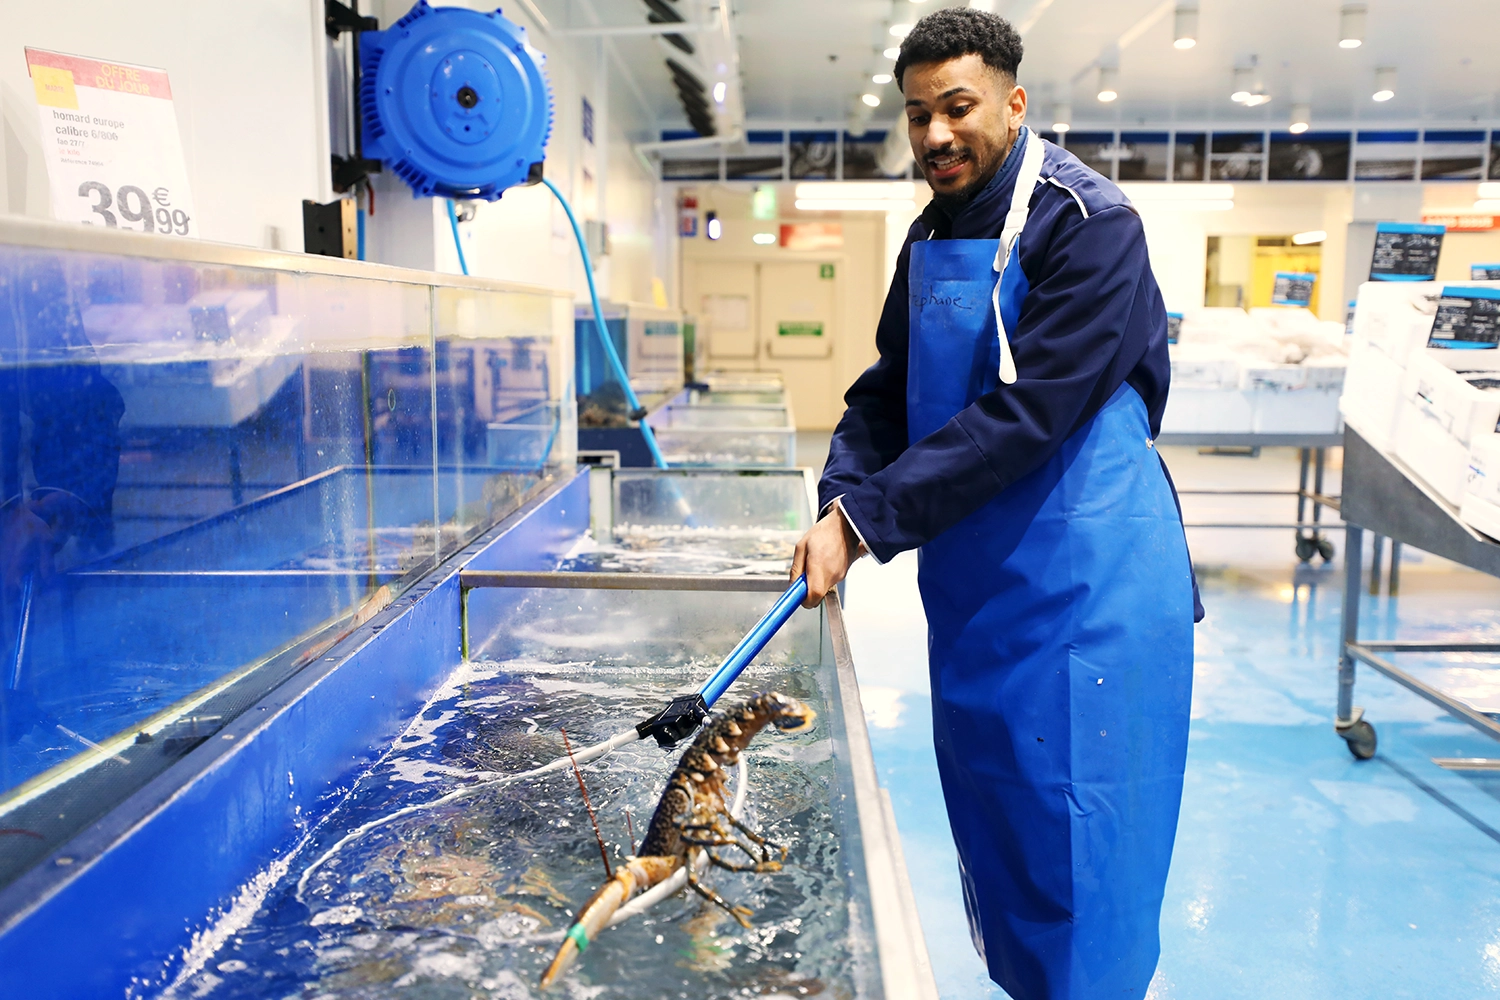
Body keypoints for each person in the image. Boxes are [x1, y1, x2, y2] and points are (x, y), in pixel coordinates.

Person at [789, 9, 1203, 1000]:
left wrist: (869, 524)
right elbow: (889, 391)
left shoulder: (1090, 226)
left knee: (1083, 861)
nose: (935, 134)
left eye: (958, 107)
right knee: (1003, 837)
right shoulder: (932, 234)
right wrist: (840, 498)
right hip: (978, 589)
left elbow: (1032, 414)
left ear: (1014, 104)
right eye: (917, 114)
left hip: (1088, 592)